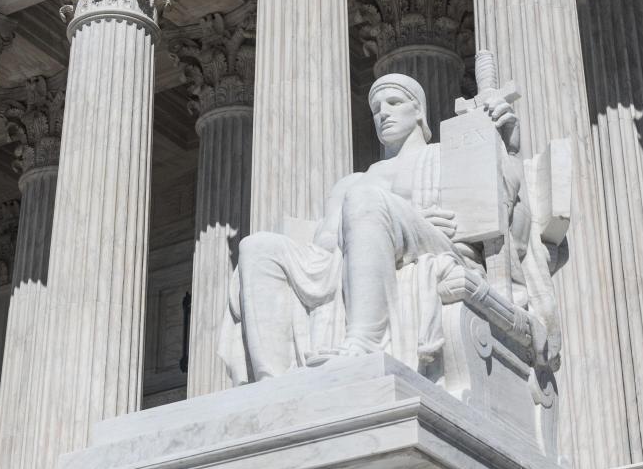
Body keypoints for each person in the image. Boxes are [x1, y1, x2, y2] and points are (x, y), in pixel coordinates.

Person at [227, 71, 547, 382]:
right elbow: (324, 246)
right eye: (377, 109)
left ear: (419, 111)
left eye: (394, 102)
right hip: (345, 257)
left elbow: (511, 229)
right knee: (256, 247)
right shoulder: (354, 181)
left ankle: (365, 341)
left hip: (439, 244)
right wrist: (399, 215)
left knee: (365, 200)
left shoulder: (446, 156)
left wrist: (507, 150)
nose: (383, 113)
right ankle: (272, 380)